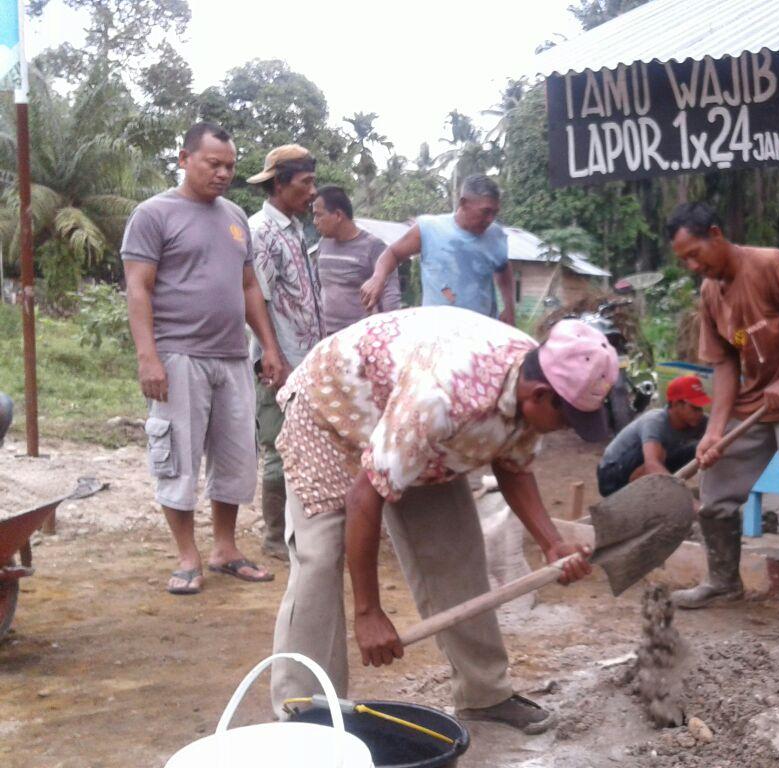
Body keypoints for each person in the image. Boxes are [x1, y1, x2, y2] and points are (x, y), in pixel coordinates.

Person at [270, 306, 616, 734]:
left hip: (407, 428)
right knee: (319, 560)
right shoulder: (443, 397)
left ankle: (484, 694)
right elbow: (365, 497)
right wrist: (369, 612)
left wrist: (551, 542)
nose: (565, 429)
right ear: (541, 393)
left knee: (455, 553)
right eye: (566, 418)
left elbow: (514, 466)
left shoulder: (531, 380)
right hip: (331, 410)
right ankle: (303, 714)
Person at [665, 202, 779, 639]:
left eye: (695, 254)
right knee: (715, 494)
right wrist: (714, 432)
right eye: (684, 261)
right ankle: (723, 582)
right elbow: (726, 366)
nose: (693, 266)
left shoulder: (770, 265)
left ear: (716, 233)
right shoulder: (711, 293)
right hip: (756, 400)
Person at [122, 122, 287, 595]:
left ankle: (225, 549)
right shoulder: (154, 214)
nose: (222, 174)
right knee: (178, 459)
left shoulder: (235, 215)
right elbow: (139, 288)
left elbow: (250, 286)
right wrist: (147, 357)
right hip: (179, 356)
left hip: (232, 357)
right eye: (213, 163)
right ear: (183, 159)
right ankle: (187, 556)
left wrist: (269, 347)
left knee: (236, 459)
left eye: (230, 166)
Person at [246, 144, 320, 561]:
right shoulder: (262, 232)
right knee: (277, 445)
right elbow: (258, 301)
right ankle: (275, 536)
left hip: (305, 359)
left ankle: (298, 528)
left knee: (303, 443)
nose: (313, 192)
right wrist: (274, 356)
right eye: (305, 183)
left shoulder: (293, 229)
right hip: (278, 362)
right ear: (280, 183)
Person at [359, 174, 515, 324]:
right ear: (463, 203)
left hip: (482, 331)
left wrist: (509, 307)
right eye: (485, 211)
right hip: (438, 330)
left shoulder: (496, 235)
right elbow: (392, 254)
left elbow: (503, 270)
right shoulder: (430, 229)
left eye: (495, 213)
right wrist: (378, 278)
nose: (490, 219)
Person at [596, 375, 711, 497]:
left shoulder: (699, 420)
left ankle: (662, 491)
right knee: (658, 453)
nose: (700, 413)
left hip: (649, 465)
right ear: (677, 404)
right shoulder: (654, 421)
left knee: (699, 447)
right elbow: (652, 464)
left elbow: (723, 431)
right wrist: (686, 498)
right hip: (610, 477)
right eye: (695, 408)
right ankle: (638, 499)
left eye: (701, 408)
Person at [312, 185, 400, 335]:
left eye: (319, 215)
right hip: (326, 337)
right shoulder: (323, 244)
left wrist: (390, 336)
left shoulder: (374, 247)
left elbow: (390, 297)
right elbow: (315, 287)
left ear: (338, 215)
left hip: (360, 338)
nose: (315, 221)